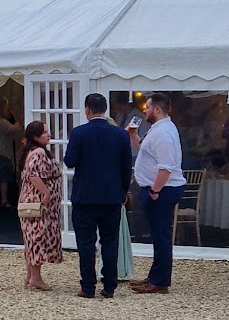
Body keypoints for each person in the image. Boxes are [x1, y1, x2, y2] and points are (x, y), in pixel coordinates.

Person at [64, 93, 133, 298]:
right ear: (105, 110)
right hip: (111, 197)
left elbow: (69, 161)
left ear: (87, 110)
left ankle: (88, 286)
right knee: (110, 241)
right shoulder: (120, 135)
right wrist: (122, 192)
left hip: (85, 196)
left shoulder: (79, 133)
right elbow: (126, 167)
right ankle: (109, 286)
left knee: (85, 243)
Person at [128, 93, 185, 294]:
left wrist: (155, 190)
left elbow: (166, 166)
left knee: (161, 235)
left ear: (157, 109)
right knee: (157, 234)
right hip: (157, 188)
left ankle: (160, 281)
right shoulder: (158, 129)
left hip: (162, 190)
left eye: (147, 106)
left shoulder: (163, 134)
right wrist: (133, 136)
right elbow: (146, 151)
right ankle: (154, 276)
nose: (144, 110)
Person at [17, 119, 62, 292]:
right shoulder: (38, 153)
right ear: (36, 136)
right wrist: (46, 192)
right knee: (37, 236)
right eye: (45, 133)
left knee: (32, 237)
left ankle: (30, 275)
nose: (49, 135)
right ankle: (36, 277)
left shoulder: (32, 151)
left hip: (31, 199)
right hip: (38, 201)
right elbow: (33, 174)